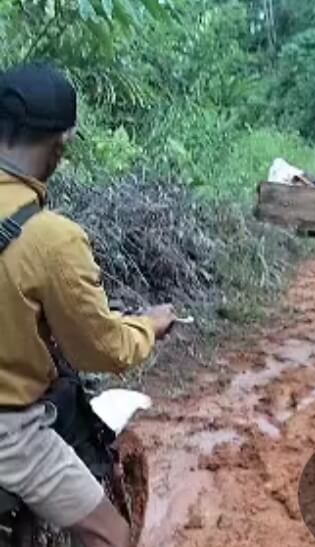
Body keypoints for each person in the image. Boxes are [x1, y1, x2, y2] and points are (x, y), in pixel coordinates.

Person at [0, 63, 176, 547]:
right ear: (60, 145)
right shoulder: (51, 238)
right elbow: (99, 350)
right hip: (8, 432)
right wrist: (148, 326)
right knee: (109, 534)